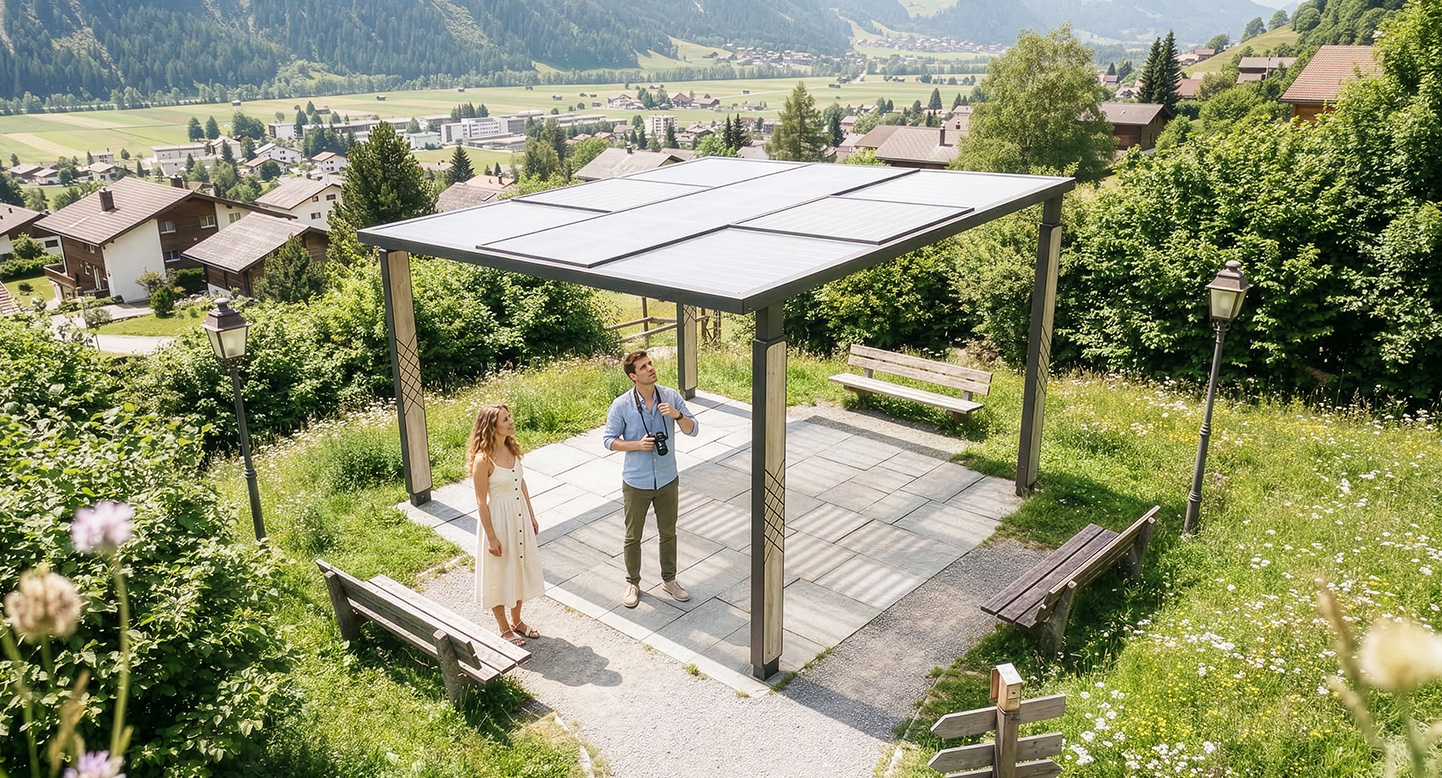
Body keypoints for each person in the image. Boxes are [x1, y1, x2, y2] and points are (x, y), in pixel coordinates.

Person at [603, 350, 698, 608]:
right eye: (643, 367)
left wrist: (677, 416)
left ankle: (669, 580)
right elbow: (609, 440)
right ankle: (632, 583)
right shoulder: (621, 405)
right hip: (636, 482)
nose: (650, 368)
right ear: (633, 376)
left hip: (667, 478)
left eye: (650, 364)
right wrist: (636, 445)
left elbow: (693, 430)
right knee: (633, 536)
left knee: (668, 533)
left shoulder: (670, 396)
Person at [468, 404, 544, 646]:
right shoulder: (483, 460)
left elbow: (521, 483)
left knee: (519, 567)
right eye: (505, 419)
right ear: (491, 427)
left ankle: (516, 620)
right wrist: (491, 537)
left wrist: (531, 515)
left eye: (509, 417)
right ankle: (503, 628)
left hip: (519, 516)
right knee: (500, 573)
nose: (511, 421)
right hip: (499, 521)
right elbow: (481, 502)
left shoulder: (511, 447)